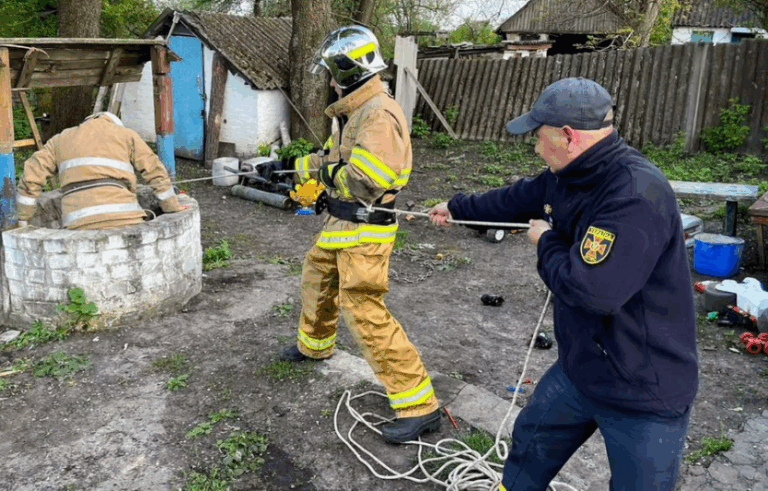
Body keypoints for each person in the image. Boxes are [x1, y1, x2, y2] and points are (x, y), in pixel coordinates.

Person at [429, 78, 698, 490]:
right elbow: (514, 199)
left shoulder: (634, 194)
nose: (536, 147)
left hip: (643, 388)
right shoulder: (565, 174)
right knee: (529, 447)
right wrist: (456, 207)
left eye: (538, 137)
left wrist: (547, 241)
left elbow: (592, 291)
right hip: (582, 368)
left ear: (569, 136)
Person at [262, 25, 440, 444]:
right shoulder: (354, 112)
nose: (329, 81)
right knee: (317, 276)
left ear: (347, 70)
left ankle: (419, 406)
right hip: (342, 224)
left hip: (365, 228)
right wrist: (286, 168)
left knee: (363, 309)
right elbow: (332, 159)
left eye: (331, 72)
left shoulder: (378, 114)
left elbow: (366, 177)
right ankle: (314, 346)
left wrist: (326, 176)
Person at [16, 112, 184, 229]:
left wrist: (23, 218)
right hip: (125, 217)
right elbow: (154, 171)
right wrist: (171, 206)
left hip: (77, 223)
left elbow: (32, 175)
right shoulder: (126, 135)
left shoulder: (59, 140)